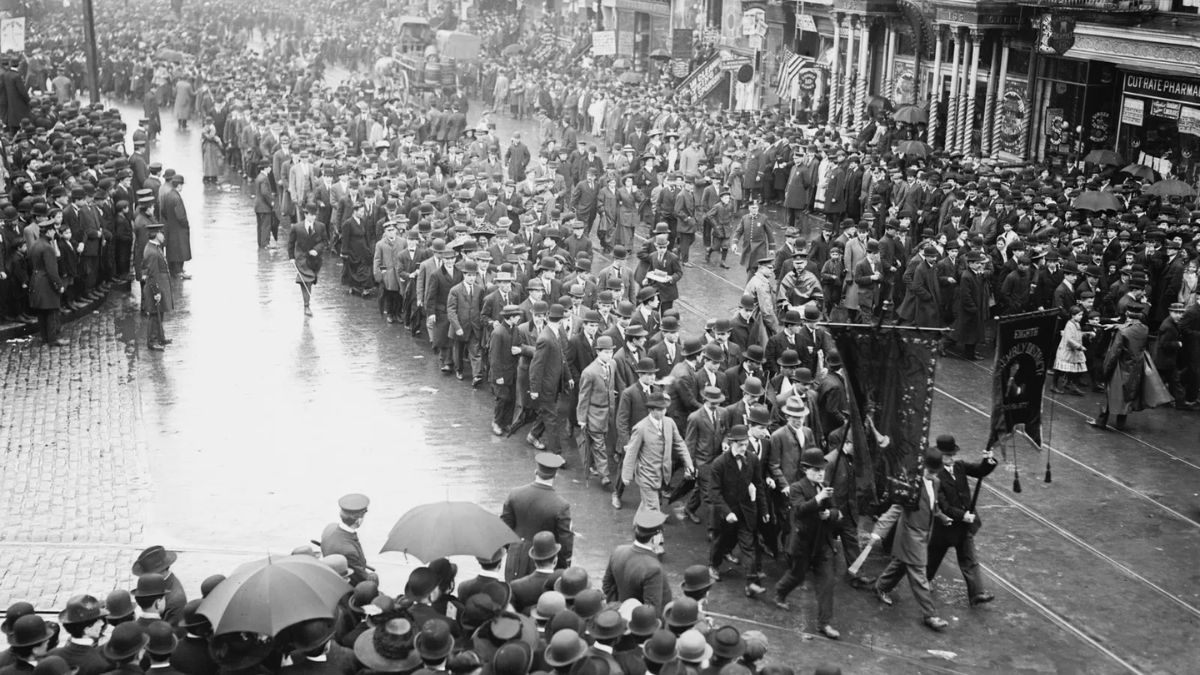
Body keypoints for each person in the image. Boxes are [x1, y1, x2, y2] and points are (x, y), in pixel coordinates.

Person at [870, 450, 952, 631]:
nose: (932, 475)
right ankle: (930, 615)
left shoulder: (936, 482)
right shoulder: (911, 485)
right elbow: (896, 509)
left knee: (901, 564)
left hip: (924, 534)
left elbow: (933, 505)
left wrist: (942, 517)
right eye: (929, 471)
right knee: (919, 575)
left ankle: (881, 586)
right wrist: (879, 531)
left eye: (935, 472)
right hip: (911, 535)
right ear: (923, 468)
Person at [927, 434, 997, 607]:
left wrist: (988, 460)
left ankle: (977, 593)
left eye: (952, 455)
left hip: (964, 526)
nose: (951, 459)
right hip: (946, 526)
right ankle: (924, 580)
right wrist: (962, 515)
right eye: (947, 456)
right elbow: (942, 505)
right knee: (934, 556)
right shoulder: (936, 477)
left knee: (969, 559)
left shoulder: (959, 466)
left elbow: (980, 470)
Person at [620, 391, 694, 553]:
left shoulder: (669, 423)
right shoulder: (640, 428)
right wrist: (626, 475)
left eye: (664, 409)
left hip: (663, 475)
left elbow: (679, 443)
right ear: (651, 410)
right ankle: (657, 543)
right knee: (654, 508)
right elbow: (631, 452)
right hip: (647, 476)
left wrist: (689, 463)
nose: (662, 412)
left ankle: (637, 525)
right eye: (659, 409)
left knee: (647, 503)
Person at [706, 424, 769, 598]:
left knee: (748, 547)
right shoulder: (719, 463)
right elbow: (714, 492)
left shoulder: (753, 460)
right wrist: (727, 512)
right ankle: (713, 565)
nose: (743, 448)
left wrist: (764, 510)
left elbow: (759, 484)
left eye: (745, 444)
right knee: (721, 542)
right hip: (725, 513)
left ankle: (751, 583)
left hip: (746, 511)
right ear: (732, 443)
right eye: (740, 444)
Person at [499, 453, 574, 581]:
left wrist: (507, 551)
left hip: (515, 557)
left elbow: (504, 529)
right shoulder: (561, 505)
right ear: (555, 475)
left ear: (536, 472)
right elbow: (565, 544)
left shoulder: (515, 494)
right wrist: (563, 568)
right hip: (543, 561)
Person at [1091, 304, 1151, 431]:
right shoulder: (1145, 329)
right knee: (1128, 394)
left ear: (1128, 314)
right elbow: (1132, 328)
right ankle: (1120, 423)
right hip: (1135, 367)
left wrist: (1106, 370)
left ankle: (1101, 421)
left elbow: (1114, 353)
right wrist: (1116, 325)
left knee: (1109, 391)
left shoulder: (1123, 332)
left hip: (1121, 366)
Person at [601, 510, 672, 610]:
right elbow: (651, 609)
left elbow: (607, 586)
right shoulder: (653, 568)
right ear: (655, 538)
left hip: (620, 614)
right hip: (639, 621)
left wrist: (620, 609)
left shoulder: (618, 551)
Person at [576, 335, 616, 487]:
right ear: (598, 352)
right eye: (605, 352)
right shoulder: (589, 372)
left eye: (610, 352)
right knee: (599, 444)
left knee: (602, 441)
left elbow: (611, 386)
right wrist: (581, 419)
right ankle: (604, 475)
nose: (609, 355)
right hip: (594, 413)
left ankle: (593, 464)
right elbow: (583, 396)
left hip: (608, 411)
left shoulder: (613, 364)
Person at [320, 494, 377, 586]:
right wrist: (372, 578)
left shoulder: (330, 527)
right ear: (358, 520)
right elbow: (361, 579)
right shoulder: (348, 550)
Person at [27, 220, 67, 347]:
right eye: (53, 230)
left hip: (36, 279)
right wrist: (59, 285)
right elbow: (52, 270)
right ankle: (52, 339)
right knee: (51, 311)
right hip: (46, 282)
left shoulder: (35, 244)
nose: (55, 232)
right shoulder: (48, 248)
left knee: (42, 312)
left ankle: (44, 338)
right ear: (49, 231)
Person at [489, 304, 524, 436]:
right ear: (511, 317)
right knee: (502, 399)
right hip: (501, 373)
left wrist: (519, 350)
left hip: (512, 371)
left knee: (511, 398)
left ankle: (506, 423)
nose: (519, 318)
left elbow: (519, 343)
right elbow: (494, 356)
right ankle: (497, 423)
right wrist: (498, 375)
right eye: (517, 316)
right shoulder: (498, 333)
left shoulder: (515, 329)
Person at [288, 205, 326, 317]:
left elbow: (325, 241)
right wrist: (291, 257)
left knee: (311, 279)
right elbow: (291, 243)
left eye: (315, 215)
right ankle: (306, 306)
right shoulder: (296, 227)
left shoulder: (321, 227)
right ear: (305, 214)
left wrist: (316, 249)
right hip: (302, 258)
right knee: (305, 281)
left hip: (315, 259)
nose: (313, 217)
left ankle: (307, 304)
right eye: (311, 215)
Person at [141, 222, 172, 351]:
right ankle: (152, 341)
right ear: (156, 234)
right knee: (154, 315)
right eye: (161, 233)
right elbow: (152, 274)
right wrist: (156, 292)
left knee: (160, 313)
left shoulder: (154, 247)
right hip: (156, 286)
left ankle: (160, 337)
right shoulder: (152, 252)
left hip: (161, 285)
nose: (163, 235)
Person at [160, 175, 192, 279]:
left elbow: (163, 211)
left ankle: (173, 270)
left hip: (170, 226)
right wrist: (186, 225)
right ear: (179, 185)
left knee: (172, 249)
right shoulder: (176, 197)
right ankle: (179, 272)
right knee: (180, 250)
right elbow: (181, 216)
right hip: (179, 228)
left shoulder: (168, 195)